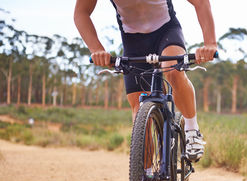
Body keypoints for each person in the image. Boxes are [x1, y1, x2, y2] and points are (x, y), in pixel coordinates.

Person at [74, 0, 217, 162]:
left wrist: (210, 43)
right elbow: (81, 12)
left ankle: (192, 129)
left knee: (173, 71)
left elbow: (201, 2)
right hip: (133, 42)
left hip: (166, 31)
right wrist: (97, 49)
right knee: (139, 111)